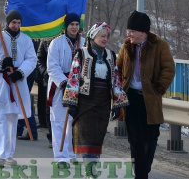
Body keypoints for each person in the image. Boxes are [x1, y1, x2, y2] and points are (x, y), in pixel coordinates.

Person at [63, 22, 129, 177]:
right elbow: (73, 77)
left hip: (103, 103)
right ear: (93, 36)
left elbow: (115, 81)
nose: (105, 39)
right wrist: (71, 102)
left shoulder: (111, 55)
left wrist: (117, 104)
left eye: (107, 36)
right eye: (102, 36)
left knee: (97, 139)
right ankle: (90, 172)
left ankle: (92, 170)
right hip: (85, 103)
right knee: (86, 138)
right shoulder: (82, 53)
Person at [117, 11, 175, 179]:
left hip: (150, 99)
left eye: (131, 31)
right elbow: (118, 68)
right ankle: (140, 174)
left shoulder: (160, 45)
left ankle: (143, 170)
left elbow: (169, 69)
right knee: (135, 141)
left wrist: (158, 88)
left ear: (142, 32)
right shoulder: (127, 46)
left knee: (150, 139)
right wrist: (120, 88)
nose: (128, 34)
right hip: (131, 99)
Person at [0, 10, 37, 167]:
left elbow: (32, 59)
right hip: (0, 81)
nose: (16, 26)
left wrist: (21, 72)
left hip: (18, 81)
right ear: (8, 22)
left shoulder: (26, 40)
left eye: (19, 23)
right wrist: (0, 63)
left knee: (13, 118)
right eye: (14, 22)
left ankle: (9, 155)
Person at [46, 13, 84, 168]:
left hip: (78, 85)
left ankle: (72, 152)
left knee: (74, 121)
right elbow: (52, 66)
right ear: (66, 26)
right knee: (59, 121)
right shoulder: (56, 43)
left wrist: (80, 81)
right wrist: (65, 82)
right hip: (60, 84)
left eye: (76, 24)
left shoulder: (84, 43)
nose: (74, 27)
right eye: (71, 24)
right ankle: (61, 156)